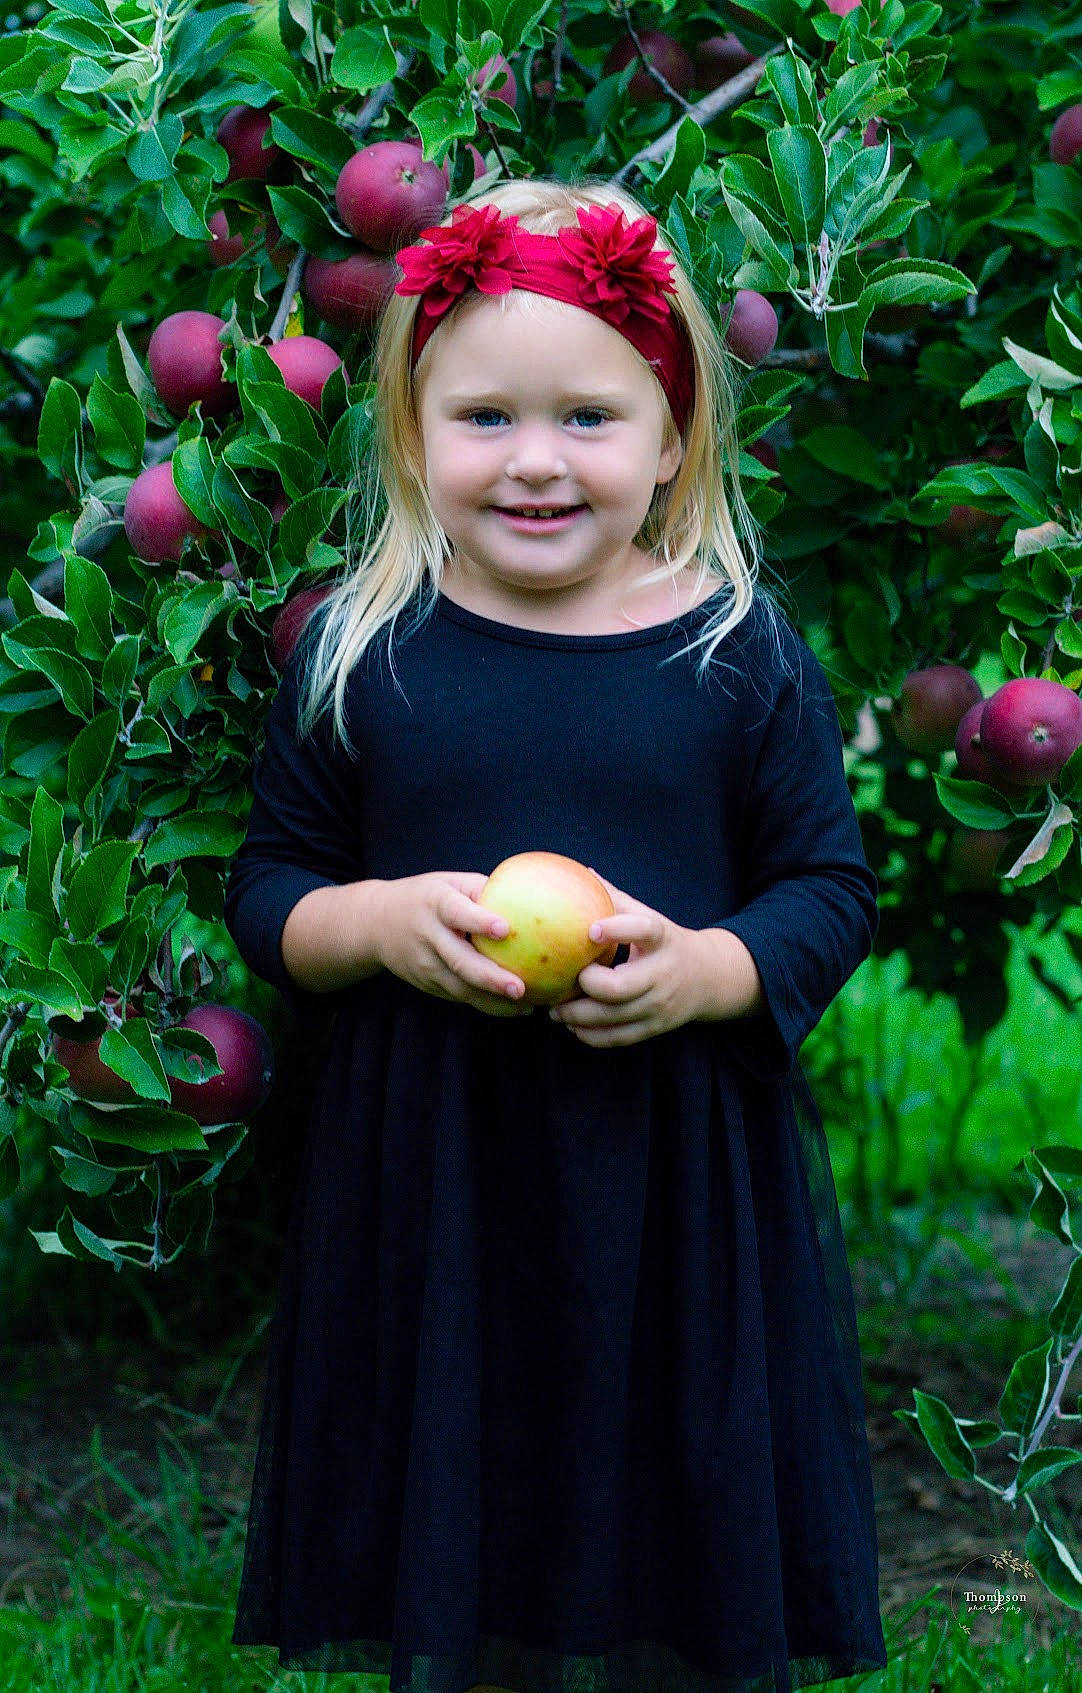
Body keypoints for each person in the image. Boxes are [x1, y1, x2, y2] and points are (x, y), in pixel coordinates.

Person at [224, 173, 889, 1693]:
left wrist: (715, 966)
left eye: (588, 419)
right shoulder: (362, 652)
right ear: (407, 433)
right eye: (483, 420)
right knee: (467, 1462)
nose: (535, 462)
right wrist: (376, 922)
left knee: (666, 1468)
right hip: (435, 1177)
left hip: (672, 1176)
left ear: (672, 439)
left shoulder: (734, 651)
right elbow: (273, 888)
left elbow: (825, 890)